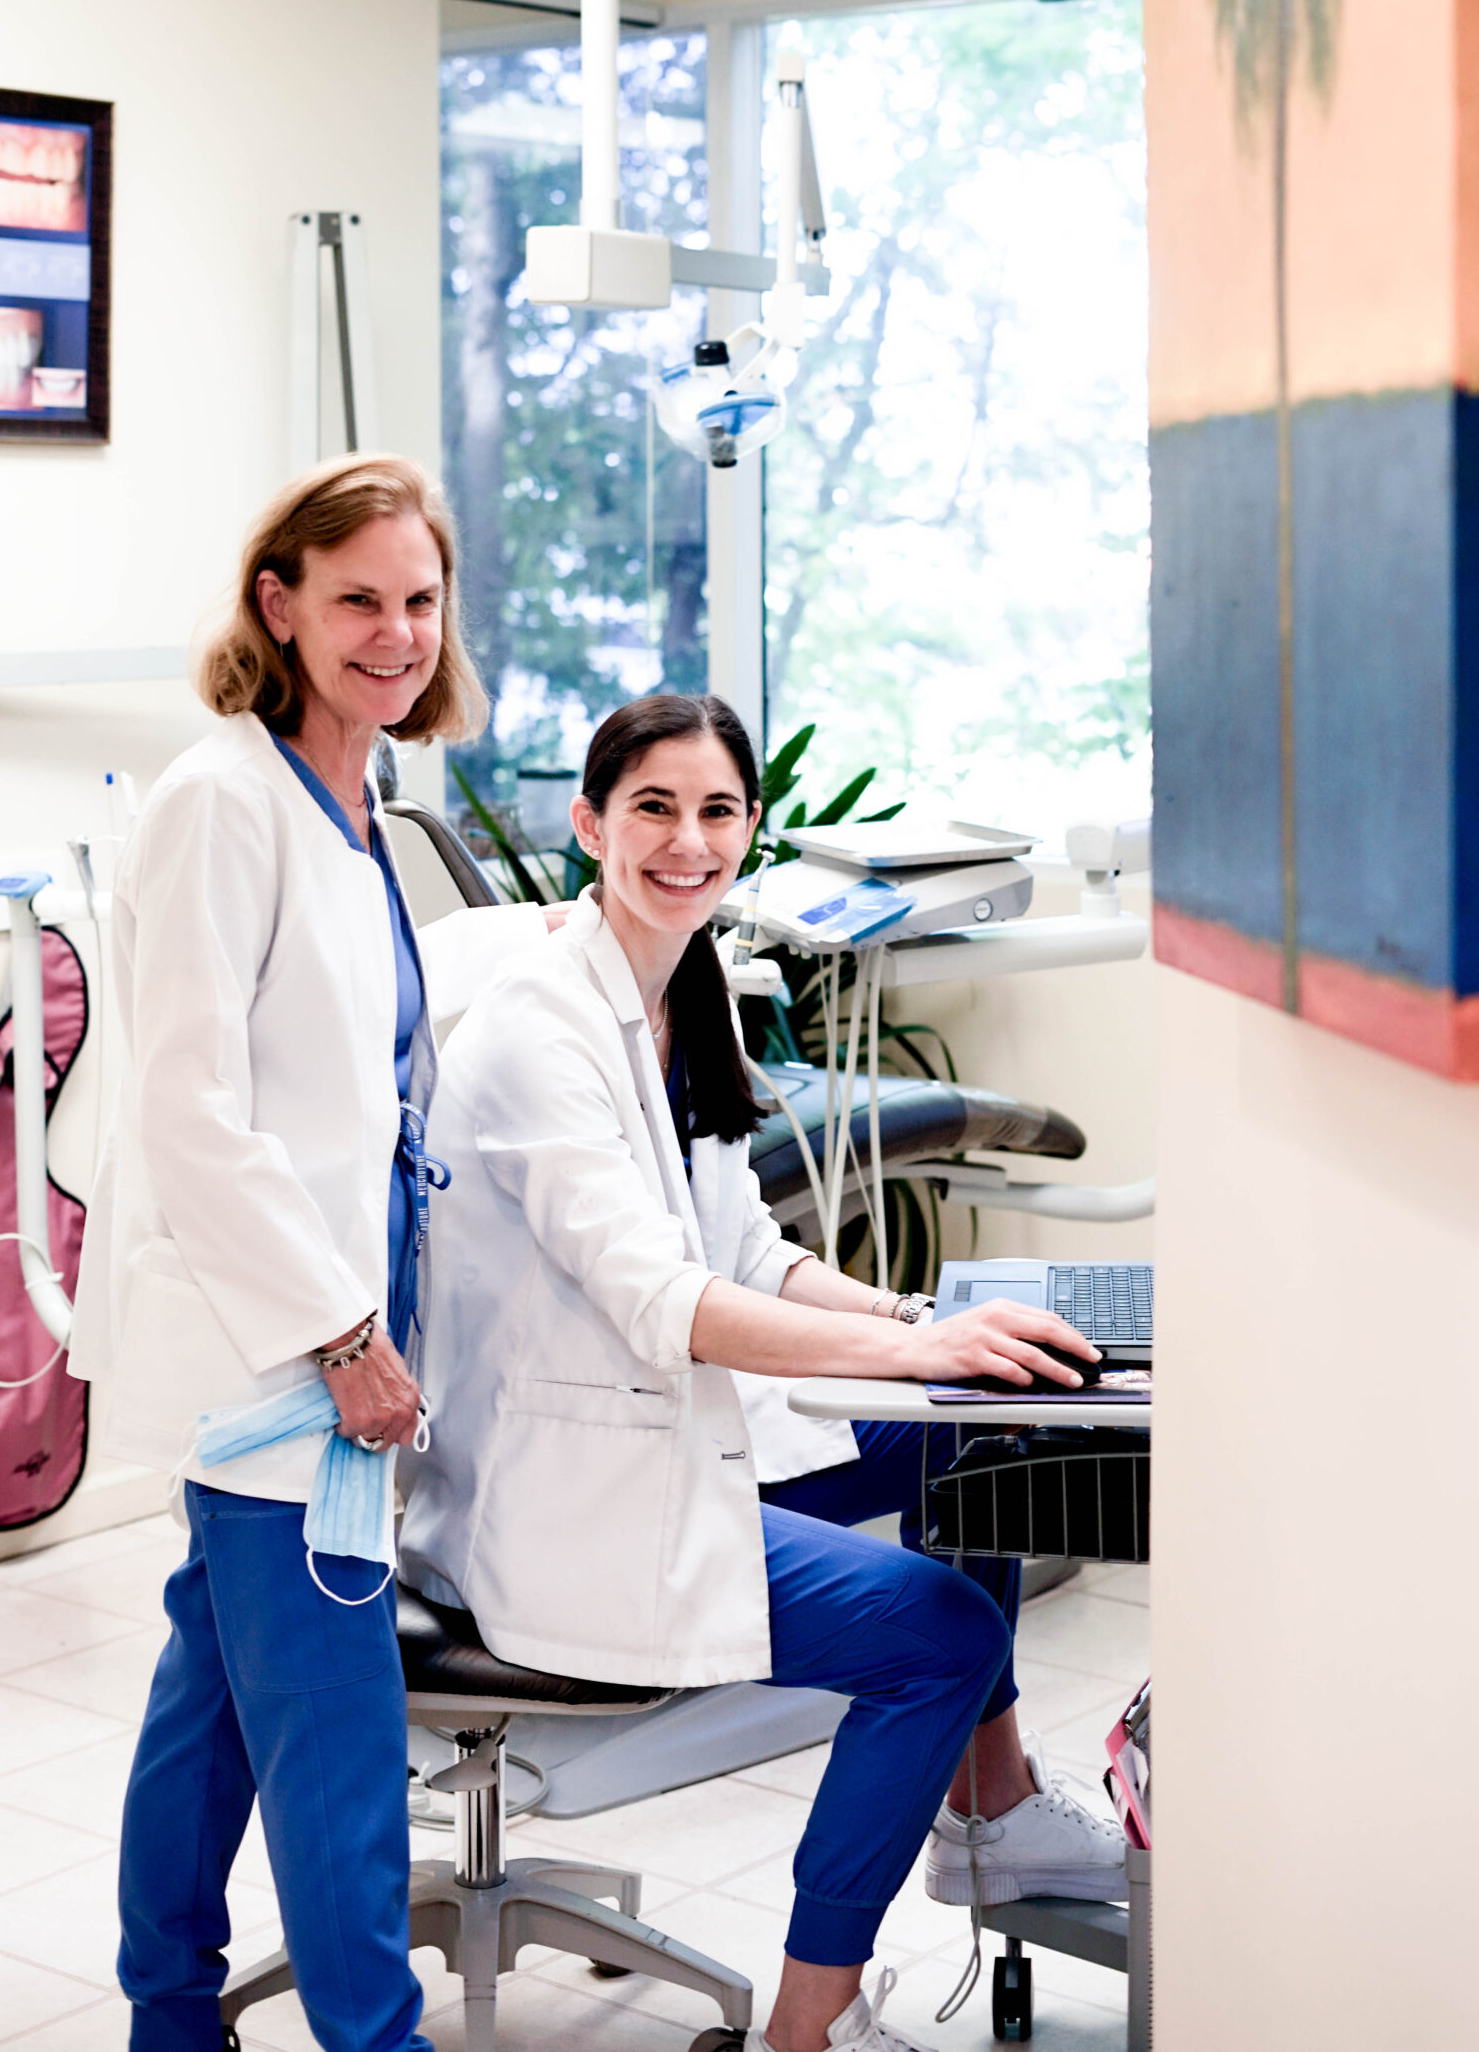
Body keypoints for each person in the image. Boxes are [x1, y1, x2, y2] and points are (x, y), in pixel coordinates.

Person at [399, 693, 1109, 2052]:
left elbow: (749, 1251)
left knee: (988, 1431)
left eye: (716, 810)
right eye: (653, 809)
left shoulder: (686, 989)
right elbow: (666, 1301)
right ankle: (804, 2032)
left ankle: (995, 1815)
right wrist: (916, 1348)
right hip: (569, 1502)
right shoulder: (539, 1030)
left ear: (750, 828)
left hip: (672, 1431)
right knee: (939, 1638)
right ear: (590, 823)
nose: (688, 841)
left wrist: (928, 1319)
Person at [69, 455, 547, 2052]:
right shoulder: (224, 800)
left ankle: (168, 2013)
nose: (397, 633)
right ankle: (373, 2038)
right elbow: (191, 1111)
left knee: (213, 1704)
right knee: (337, 1744)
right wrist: (344, 1337)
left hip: (325, 1324)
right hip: (280, 1351)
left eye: (420, 600)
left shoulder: (358, 807)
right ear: (278, 605)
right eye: (358, 601)